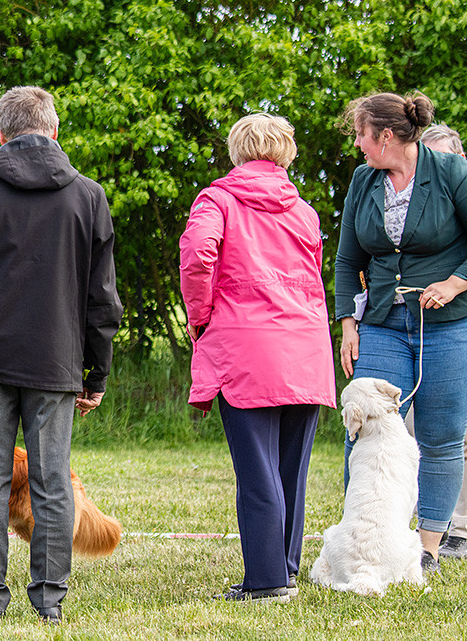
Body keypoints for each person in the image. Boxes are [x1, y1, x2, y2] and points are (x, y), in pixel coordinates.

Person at [0, 86, 122, 623]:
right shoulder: (88, 195)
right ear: (54, 130)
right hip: (57, 362)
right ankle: (49, 602)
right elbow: (102, 297)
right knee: (52, 480)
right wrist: (96, 369)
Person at [179, 114, 335, 603]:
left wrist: (200, 314)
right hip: (304, 346)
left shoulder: (218, 199)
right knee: (292, 468)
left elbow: (198, 254)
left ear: (237, 150)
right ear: (284, 152)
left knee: (257, 470)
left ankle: (267, 581)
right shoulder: (304, 211)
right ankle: (283, 569)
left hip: (245, 347)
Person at [335, 92, 467, 574]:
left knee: (441, 436)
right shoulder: (363, 180)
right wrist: (349, 323)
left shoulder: (451, 172)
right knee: (366, 428)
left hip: (447, 323)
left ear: (385, 136)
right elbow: (349, 258)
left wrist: (456, 282)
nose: (358, 145)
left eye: (360, 135)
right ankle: (362, 532)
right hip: (383, 323)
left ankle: (428, 547)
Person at [401, 123, 467, 559]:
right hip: (430, 326)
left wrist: (456, 282)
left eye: (444, 159)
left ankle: (458, 529)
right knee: (419, 430)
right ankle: (424, 525)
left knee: (458, 433)